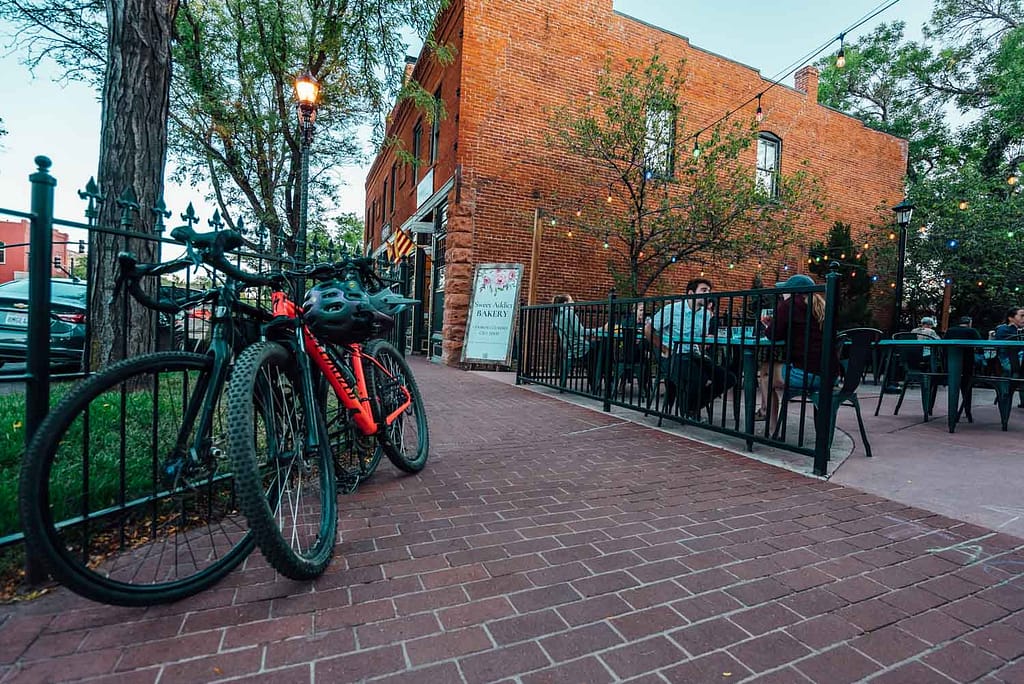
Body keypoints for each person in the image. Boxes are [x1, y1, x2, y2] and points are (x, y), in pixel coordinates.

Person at [644, 277, 736, 416]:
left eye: (709, 291)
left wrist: (707, 341)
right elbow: (648, 329)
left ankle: (691, 406)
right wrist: (663, 349)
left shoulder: (705, 314)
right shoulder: (672, 309)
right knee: (699, 377)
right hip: (673, 356)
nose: (708, 293)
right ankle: (690, 408)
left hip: (694, 354)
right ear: (691, 293)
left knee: (728, 378)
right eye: (704, 290)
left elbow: (699, 340)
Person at [761, 273, 838, 433]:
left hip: (807, 374)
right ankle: (767, 417)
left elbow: (773, 335)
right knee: (768, 369)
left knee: (764, 373)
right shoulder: (821, 306)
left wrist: (770, 326)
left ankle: (772, 427)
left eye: (784, 292)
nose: (782, 295)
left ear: (792, 291)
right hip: (829, 374)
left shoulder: (790, 304)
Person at [551, 293, 605, 389]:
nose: (574, 302)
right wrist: (600, 329)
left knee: (596, 348)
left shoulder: (557, 315)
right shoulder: (570, 313)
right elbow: (580, 331)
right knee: (601, 352)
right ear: (565, 303)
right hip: (579, 348)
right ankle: (597, 383)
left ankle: (595, 383)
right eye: (571, 300)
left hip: (568, 348)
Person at [994, 306, 1024, 374]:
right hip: (1008, 361)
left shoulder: (1019, 330)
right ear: (1011, 318)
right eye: (1022, 316)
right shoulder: (1003, 329)